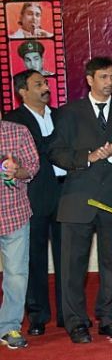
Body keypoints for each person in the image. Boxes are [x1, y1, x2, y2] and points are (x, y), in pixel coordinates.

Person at [49, 57, 112, 344]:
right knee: (73, 267)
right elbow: (55, 152)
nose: (109, 82)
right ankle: (76, 322)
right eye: (103, 77)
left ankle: (109, 319)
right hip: (78, 198)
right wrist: (87, 157)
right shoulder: (69, 113)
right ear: (89, 80)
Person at [6, 70, 64, 337]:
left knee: (66, 258)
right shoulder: (13, 121)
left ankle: (67, 314)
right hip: (32, 196)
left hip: (65, 193)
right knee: (33, 259)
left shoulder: (61, 116)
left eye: (46, 83)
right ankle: (38, 315)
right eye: (38, 84)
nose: (45, 88)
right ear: (22, 91)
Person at [0, 117, 39, 350]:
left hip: (13, 214)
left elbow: (32, 167)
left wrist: (17, 171)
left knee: (16, 274)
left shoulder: (18, 131)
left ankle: (8, 327)